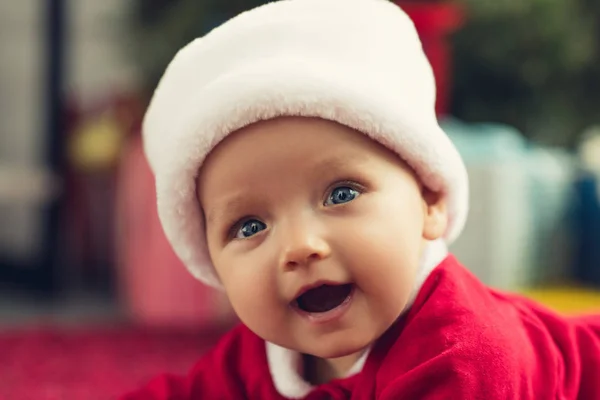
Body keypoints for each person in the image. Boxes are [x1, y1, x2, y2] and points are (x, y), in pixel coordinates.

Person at [121, 0, 600, 398]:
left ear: (429, 200)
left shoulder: (466, 352)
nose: (301, 245)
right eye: (249, 227)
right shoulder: (260, 356)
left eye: (341, 193)